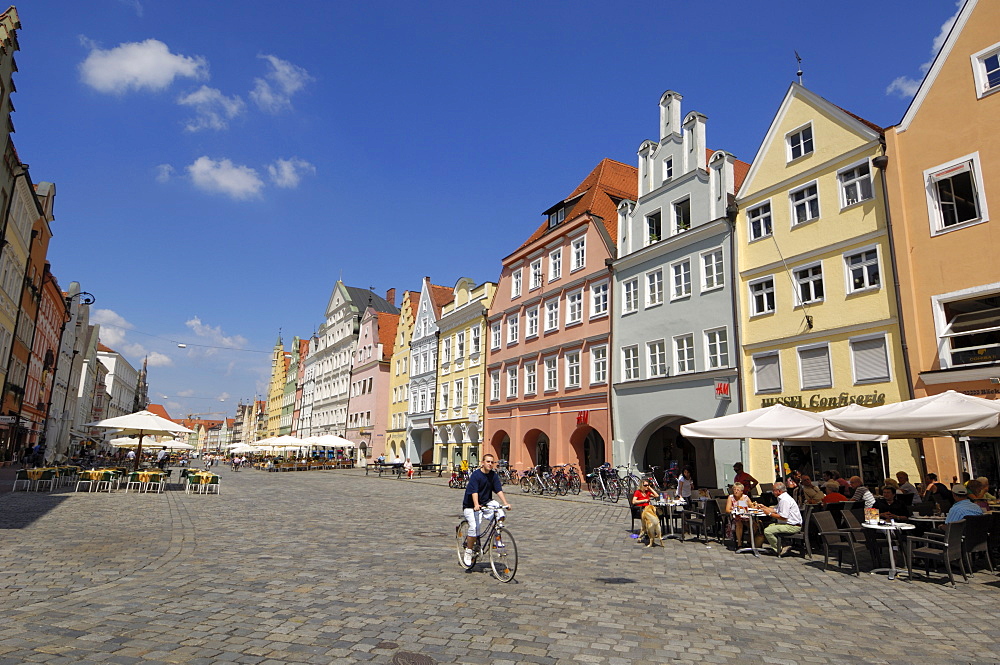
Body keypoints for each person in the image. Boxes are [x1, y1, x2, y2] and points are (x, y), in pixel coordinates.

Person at [461, 453, 511, 566]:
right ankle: (468, 551)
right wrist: (476, 504)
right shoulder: (476, 475)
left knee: (500, 513)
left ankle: (497, 538)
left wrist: (505, 503)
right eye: (488, 462)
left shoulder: (493, 475)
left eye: (492, 462)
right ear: (482, 463)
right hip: (471, 505)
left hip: (486, 502)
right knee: (474, 527)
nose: (490, 464)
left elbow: (498, 489)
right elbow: (474, 491)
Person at [758, 482, 802, 556]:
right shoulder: (782, 498)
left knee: (767, 531)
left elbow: (783, 517)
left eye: (774, 490)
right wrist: (764, 508)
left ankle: (779, 549)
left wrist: (769, 514)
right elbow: (776, 509)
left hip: (792, 526)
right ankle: (780, 545)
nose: (772, 492)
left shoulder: (785, 500)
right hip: (788, 524)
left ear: (779, 491)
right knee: (769, 526)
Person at [726, 482, 753, 548]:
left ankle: (749, 542)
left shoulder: (745, 497)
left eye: (738, 490)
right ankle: (739, 544)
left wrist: (755, 506)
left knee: (754, 525)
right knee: (739, 524)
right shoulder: (731, 497)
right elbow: (727, 510)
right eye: (734, 489)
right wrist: (734, 511)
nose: (735, 491)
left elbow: (752, 506)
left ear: (741, 491)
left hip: (745, 517)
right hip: (735, 518)